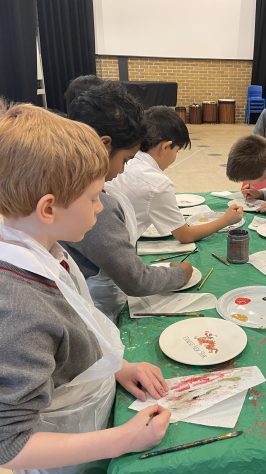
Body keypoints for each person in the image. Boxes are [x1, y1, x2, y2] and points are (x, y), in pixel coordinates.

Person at [0, 102, 171, 474]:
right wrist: (124, 440)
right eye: (94, 198)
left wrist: (116, 367)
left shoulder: (44, 246)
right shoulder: (17, 308)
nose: (99, 209)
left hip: (85, 414)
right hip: (61, 453)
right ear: (48, 208)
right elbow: (8, 445)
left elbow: (77, 326)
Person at [63, 82, 192, 322]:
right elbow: (134, 279)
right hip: (89, 310)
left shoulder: (69, 183)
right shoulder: (92, 203)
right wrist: (178, 275)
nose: (123, 171)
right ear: (103, 145)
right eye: (125, 160)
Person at [111, 106, 243, 242]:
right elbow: (185, 235)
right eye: (177, 151)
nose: (176, 156)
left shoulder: (124, 161)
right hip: (119, 245)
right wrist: (226, 220)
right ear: (165, 147)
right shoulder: (157, 183)